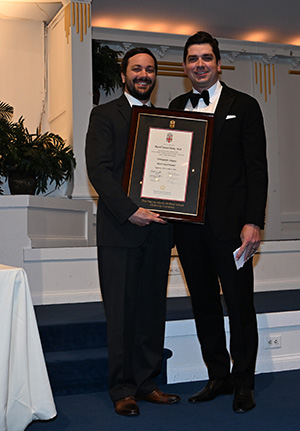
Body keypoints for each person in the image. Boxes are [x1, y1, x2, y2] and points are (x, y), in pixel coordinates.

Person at [169, 31, 268, 412]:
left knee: (240, 304)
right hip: (189, 228)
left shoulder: (244, 105)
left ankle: (245, 381)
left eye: (206, 58)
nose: (199, 65)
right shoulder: (176, 106)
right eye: (192, 59)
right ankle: (218, 376)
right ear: (184, 66)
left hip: (233, 228)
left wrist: (253, 221)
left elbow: (257, 170)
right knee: (204, 304)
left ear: (218, 63)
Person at [85, 47, 180, 416]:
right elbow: (99, 171)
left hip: (159, 230)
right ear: (124, 75)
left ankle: (147, 383)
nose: (143, 74)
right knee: (122, 313)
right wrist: (131, 211)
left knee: (152, 311)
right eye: (136, 69)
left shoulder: (167, 120)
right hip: (120, 230)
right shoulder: (104, 115)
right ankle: (123, 389)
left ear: (156, 76)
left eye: (150, 69)